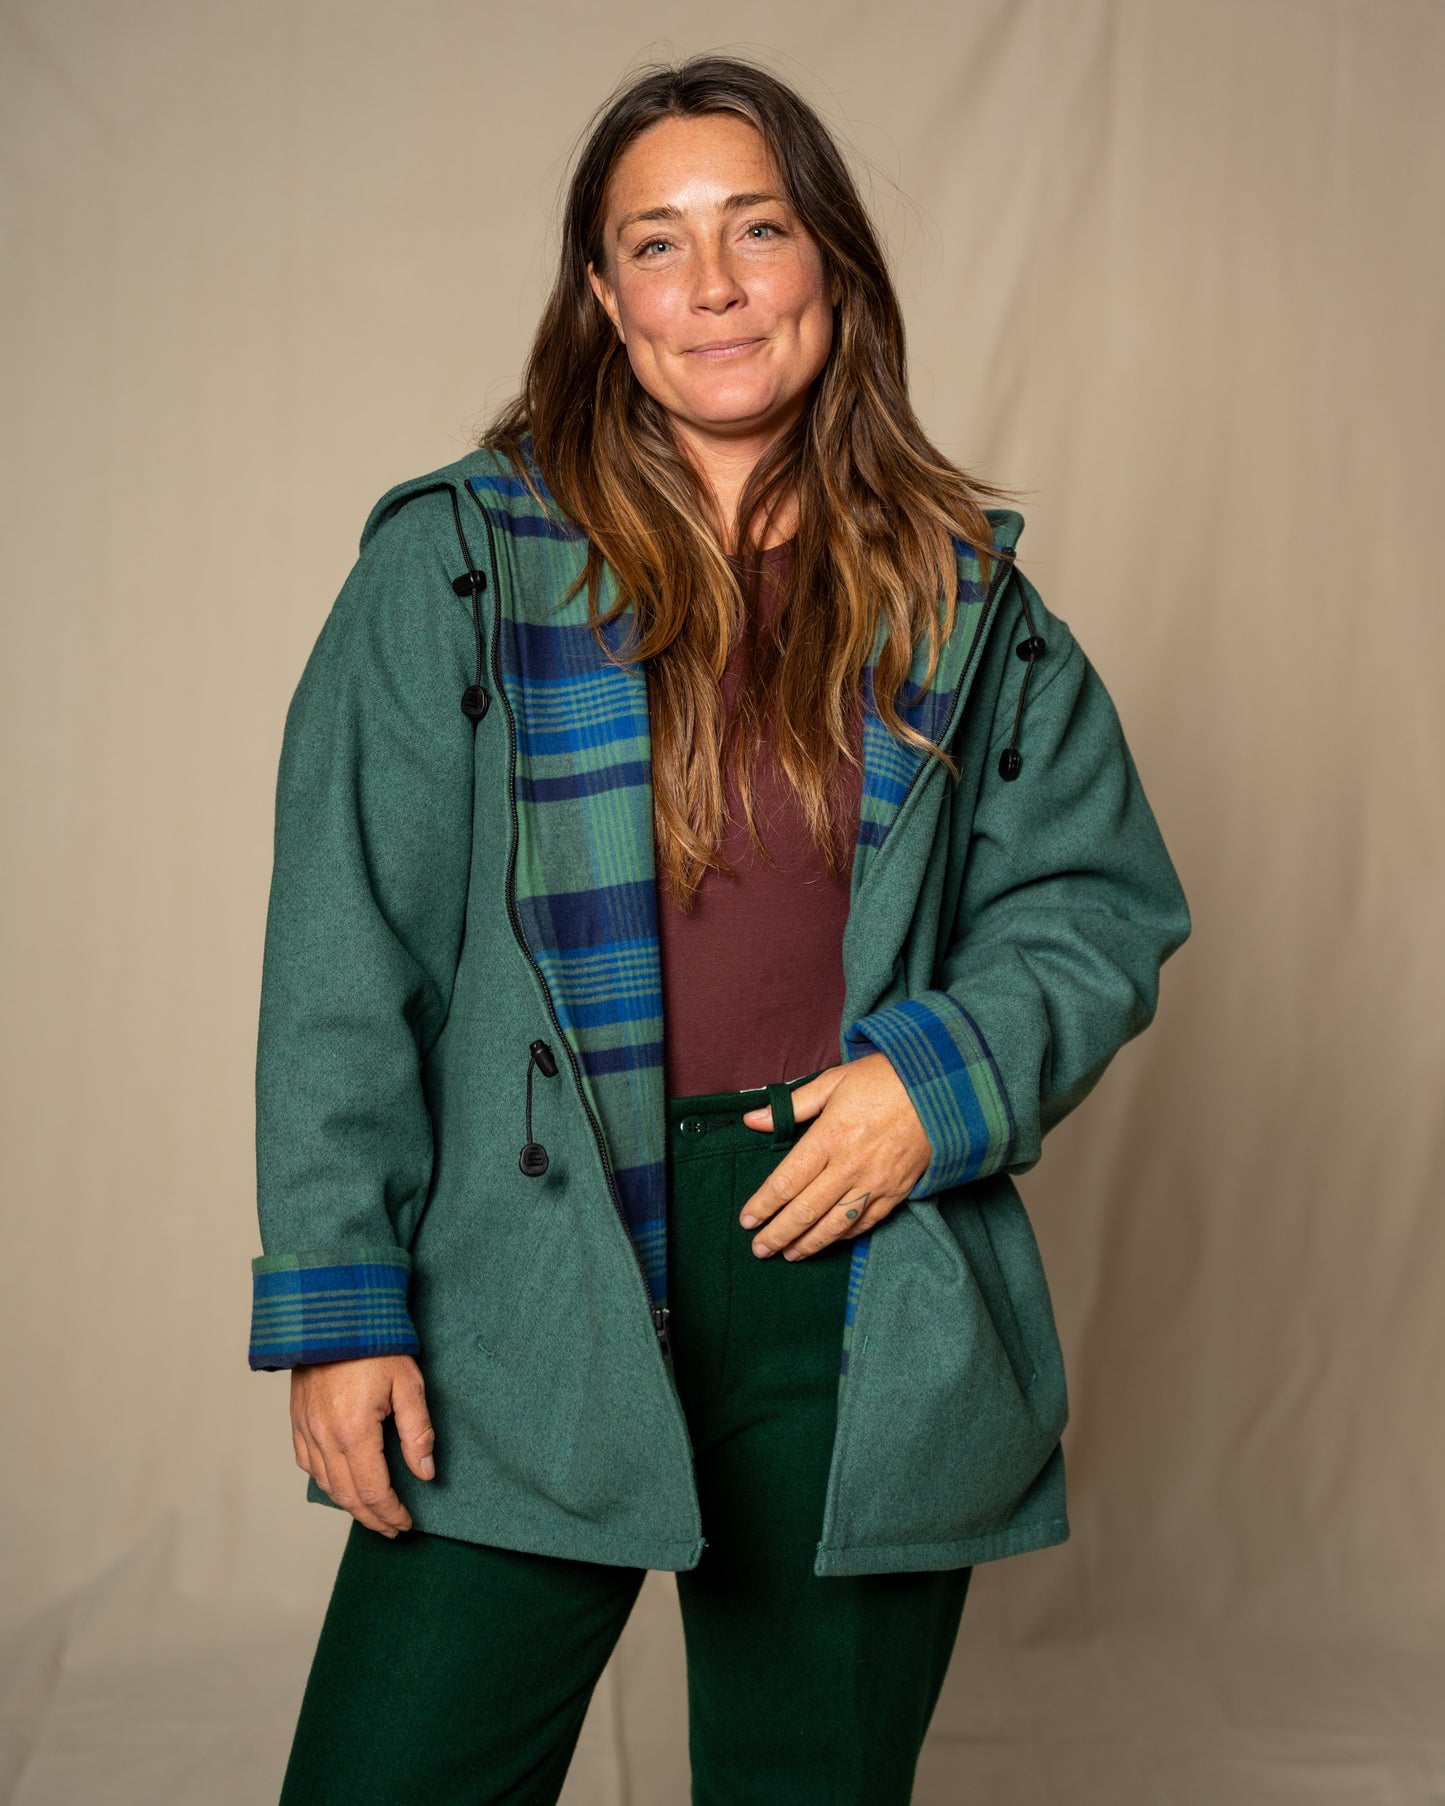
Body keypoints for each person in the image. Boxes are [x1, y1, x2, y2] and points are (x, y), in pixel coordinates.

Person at [247, 53, 1191, 1806]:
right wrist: (338, 1304)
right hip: (530, 1273)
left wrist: (939, 1080)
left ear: (826, 262)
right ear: (602, 299)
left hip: (858, 1263)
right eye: (656, 245)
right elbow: (341, 954)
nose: (714, 287)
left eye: (755, 230)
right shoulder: (455, 569)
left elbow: (1097, 897)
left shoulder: (963, 598)